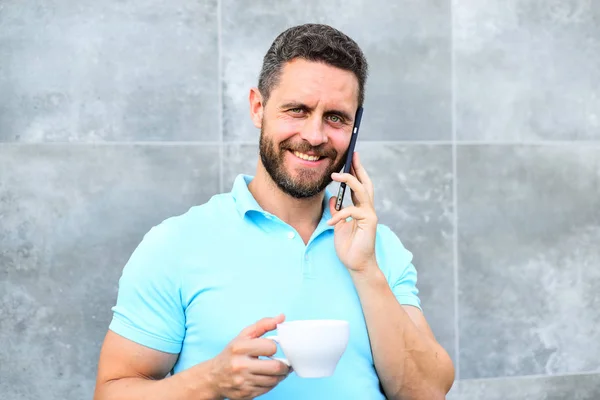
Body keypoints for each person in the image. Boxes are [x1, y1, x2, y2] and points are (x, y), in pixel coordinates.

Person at [94, 23, 455, 400]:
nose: (315, 136)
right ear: (258, 107)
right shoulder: (176, 244)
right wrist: (210, 381)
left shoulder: (379, 247)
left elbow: (427, 392)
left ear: (354, 127)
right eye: (297, 110)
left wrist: (366, 270)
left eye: (335, 117)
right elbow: (111, 392)